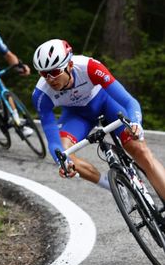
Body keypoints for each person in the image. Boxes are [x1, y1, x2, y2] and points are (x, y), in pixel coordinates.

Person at [31, 39, 165, 199]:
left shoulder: (89, 67)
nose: (50, 79)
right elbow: (52, 140)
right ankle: (113, 187)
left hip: (106, 103)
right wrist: (62, 162)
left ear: (70, 65)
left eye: (54, 72)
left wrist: (136, 123)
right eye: (44, 73)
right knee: (65, 153)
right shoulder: (41, 95)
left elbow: (130, 102)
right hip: (78, 116)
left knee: (140, 150)